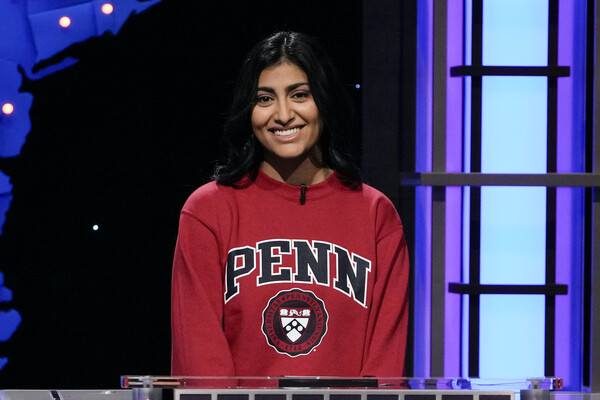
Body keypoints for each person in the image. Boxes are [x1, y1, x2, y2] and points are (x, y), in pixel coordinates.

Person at [171, 31, 409, 378]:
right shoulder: (209, 211)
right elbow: (199, 359)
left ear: (323, 102)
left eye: (299, 95)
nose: (283, 114)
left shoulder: (375, 214)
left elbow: (385, 364)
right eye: (265, 99)